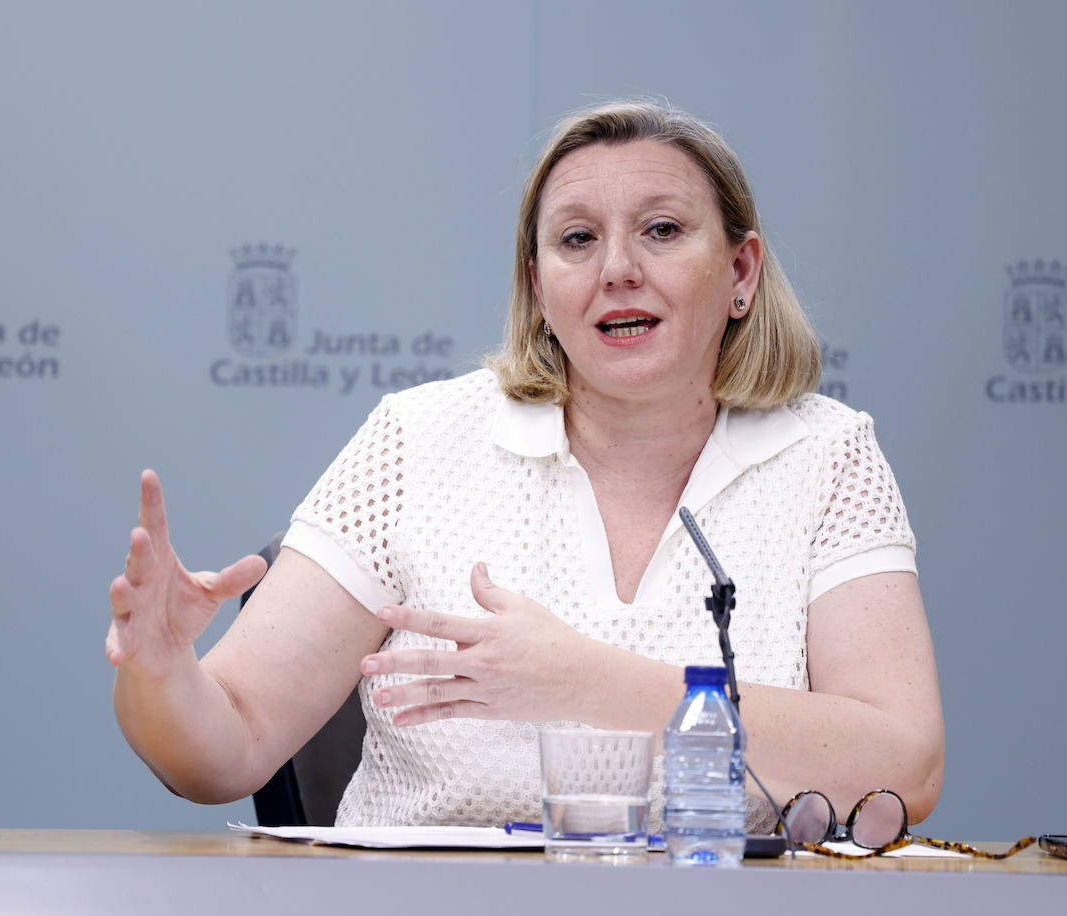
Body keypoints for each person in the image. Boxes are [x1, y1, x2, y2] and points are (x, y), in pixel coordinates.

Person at [107, 100, 944, 833]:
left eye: (661, 230)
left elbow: (904, 764)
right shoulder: (417, 440)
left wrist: (585, 683)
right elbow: (225, 746)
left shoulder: (826, 455)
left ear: (740, 272)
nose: (618, 268)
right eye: (578, 239)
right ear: (540, 288)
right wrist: (160, 674)